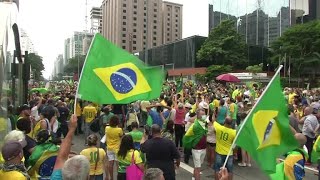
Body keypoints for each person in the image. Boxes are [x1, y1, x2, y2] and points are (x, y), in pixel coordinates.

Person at [51, 115, 91, 180]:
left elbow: (61, 157)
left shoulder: (56, 178)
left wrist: (71, 129)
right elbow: (62, 158)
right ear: (87, 177)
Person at [191, 108, 208, 180]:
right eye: (202, 114)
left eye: (204, 114)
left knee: (198, 166)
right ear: (197, 115)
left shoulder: (204, 123)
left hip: (203, 148)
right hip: (196, 149)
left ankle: (194, 177)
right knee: (198, 168)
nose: (203, 116)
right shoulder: (195, 124)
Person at [105, 115, 123, 180]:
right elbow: (121, 136)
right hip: (117, 148)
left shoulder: (107, 128)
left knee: (110, 164)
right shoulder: (119, 129)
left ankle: (111, 178)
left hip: (109, 148)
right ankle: (118, 177)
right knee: (118, 164)